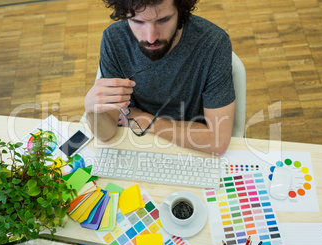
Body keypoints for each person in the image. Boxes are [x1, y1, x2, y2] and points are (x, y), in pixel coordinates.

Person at [84, 0, 236, 155]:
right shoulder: (114, 39)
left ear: (181, 11)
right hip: (136, 144)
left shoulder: (214, 44)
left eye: (163, 20)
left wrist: (149, 123)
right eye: (137, 21)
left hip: (191, 148)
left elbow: (218, 141)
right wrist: (91, 110)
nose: (151, 38)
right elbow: (107, 135)